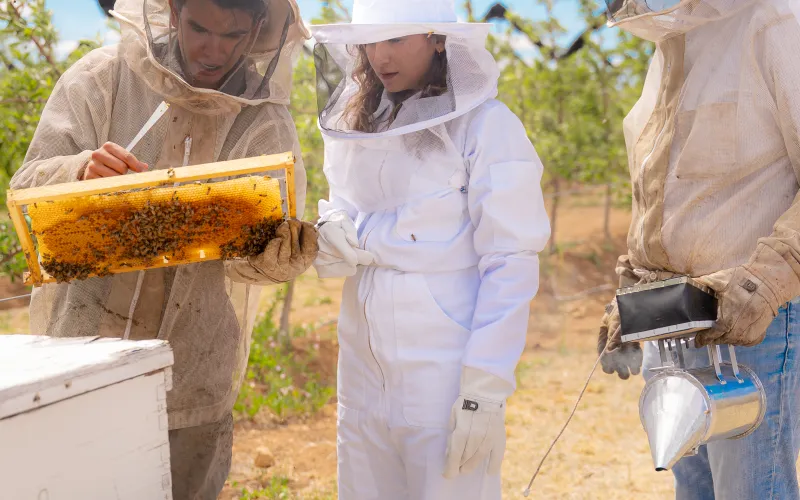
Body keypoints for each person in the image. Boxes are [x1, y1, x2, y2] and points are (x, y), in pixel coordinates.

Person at [10, 0, 317, 498]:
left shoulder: (264, 122)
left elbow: (253, 259)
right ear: (173, 12)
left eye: (232, 35)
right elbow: (27, 186)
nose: (213, 50)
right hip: (80, 358)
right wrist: (80, 171)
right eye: (199, 28)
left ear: (259, 27)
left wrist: (277, 256)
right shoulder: (101, 78)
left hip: (193, 374)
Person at [309, 0, 551, 498]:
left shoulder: (487, 125)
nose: (380, 56)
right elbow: (345, 203)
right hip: (361, 365)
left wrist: (485, 387)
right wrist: (332, 227)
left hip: (443, 371)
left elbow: (511, 259)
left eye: (396, 39)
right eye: (370, 42)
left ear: (437, 39)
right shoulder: (360, 120)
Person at [597, 0, 800, 498]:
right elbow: (661, 199)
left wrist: (764, 283)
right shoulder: (670, 45)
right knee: (695, 491)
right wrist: (631, 294)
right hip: (674, 323)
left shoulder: (774, 23)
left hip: (754, 322)